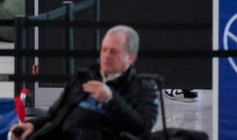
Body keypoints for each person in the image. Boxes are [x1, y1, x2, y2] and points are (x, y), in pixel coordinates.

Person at [9, 25, 159, 139]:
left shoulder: (143, 88)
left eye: (113, 51)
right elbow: (55, 116)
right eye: (104, 50)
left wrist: (111, 99)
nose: (106, 56)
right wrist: (33, 125)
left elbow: (143, 130)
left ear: (130, 57)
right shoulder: (84, 77)